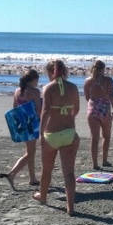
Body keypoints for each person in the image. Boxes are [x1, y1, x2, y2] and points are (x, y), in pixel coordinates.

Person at [32, 60, 80, 216]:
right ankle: (70, 207)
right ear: (64, 70)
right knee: (69, 173)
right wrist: (67, 116)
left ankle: (42, 196)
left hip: (51, 134)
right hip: (69, 134)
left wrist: (41, 134)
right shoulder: (73, 87)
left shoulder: (47, 88)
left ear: (49, 72)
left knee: (47, 170)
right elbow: (76, 109)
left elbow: (45, 112)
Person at [0, 69, 41, 190]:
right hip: (32, 124)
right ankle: (12, 174)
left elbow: (14, 109)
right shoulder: (35, 92)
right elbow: (38, 109)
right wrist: (42, 122)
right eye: (37, 80)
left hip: (22, 125)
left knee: (30, 151)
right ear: (33, 80)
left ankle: (32, 178)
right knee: (30, 153)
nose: (37, 83)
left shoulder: (17, 91)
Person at [83, 60, 113, 170]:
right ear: (103, 69)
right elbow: (111, 95)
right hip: (105, 109)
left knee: (94, 138)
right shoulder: (108, 80)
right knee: (106, 136)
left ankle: (94, 163)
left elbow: (87, 97)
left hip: (92, 108)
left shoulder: (87, 81)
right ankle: (104, 160)